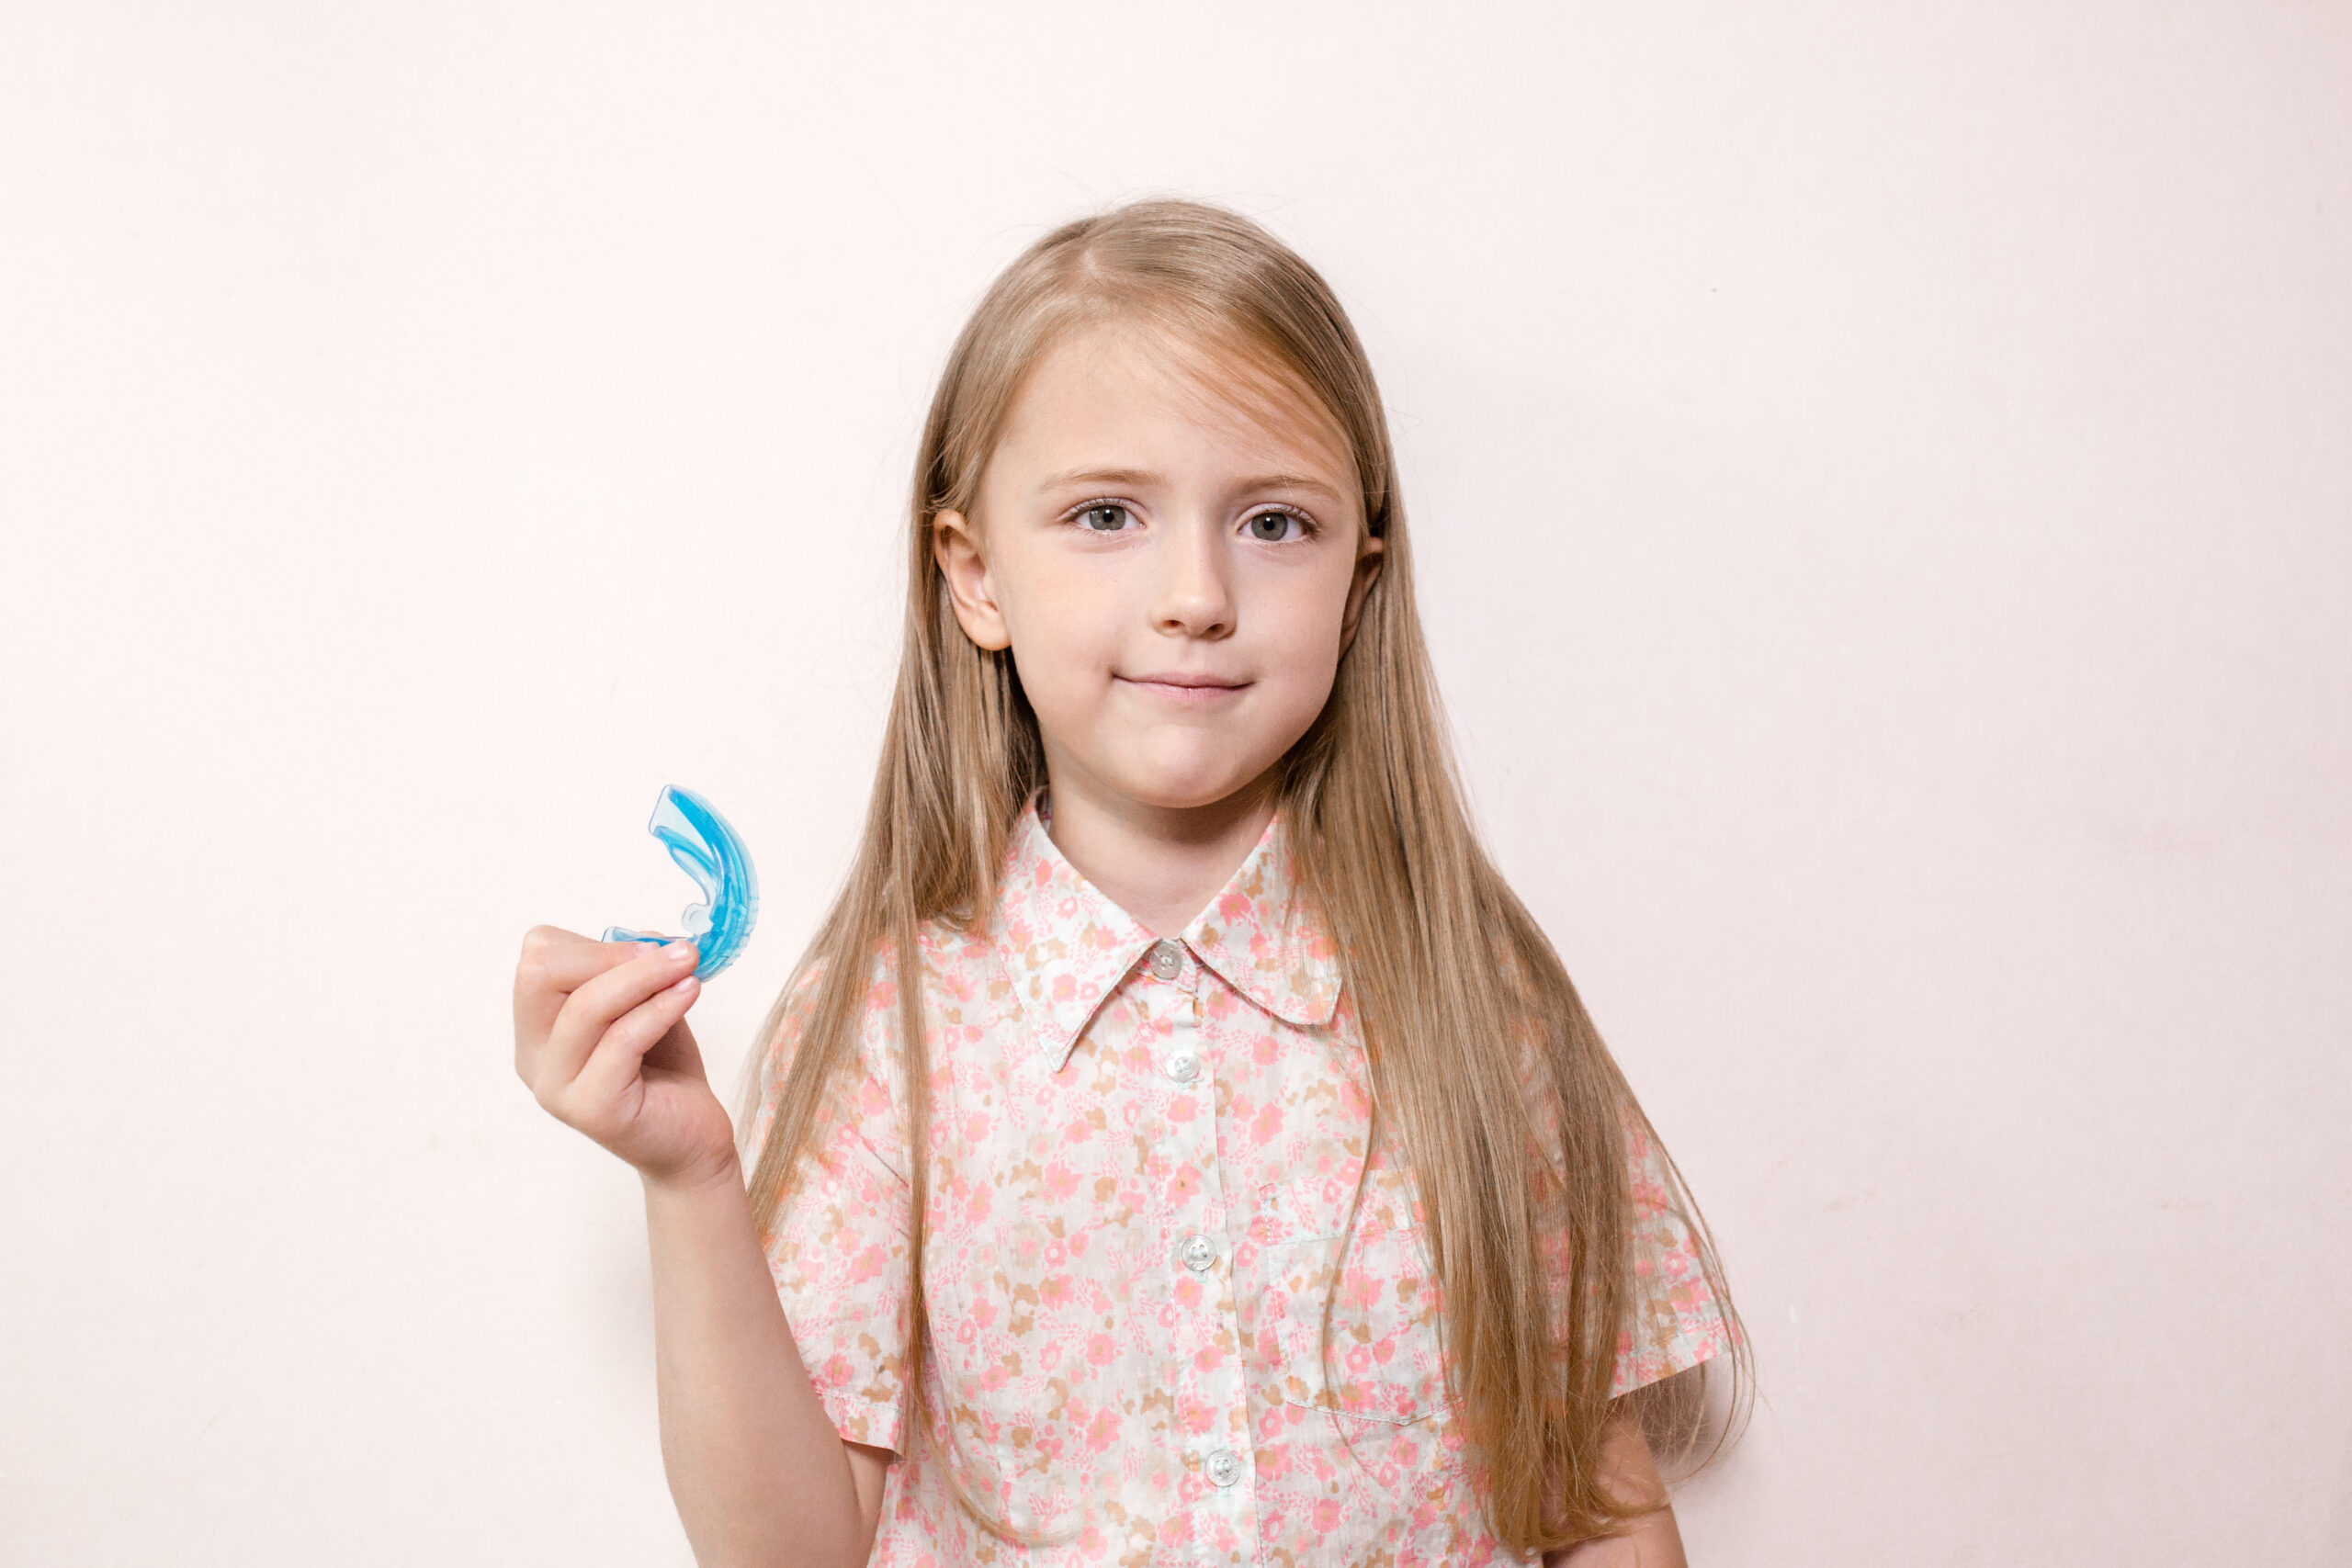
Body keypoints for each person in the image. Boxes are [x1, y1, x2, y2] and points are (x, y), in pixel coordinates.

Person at [514, 197, 1746, 1566]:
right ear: (976, 577)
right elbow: (788, 1556)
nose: (1196, 592)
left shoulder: (1471, 994)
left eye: (1275, 524)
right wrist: (691, 1184)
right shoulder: (890, 1023)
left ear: (1358, 576)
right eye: (1108, 514)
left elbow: (1599, 1505)